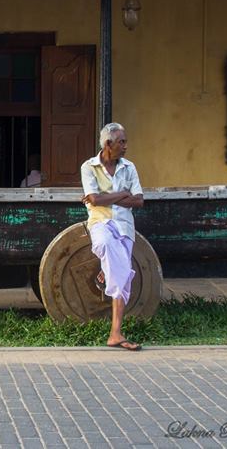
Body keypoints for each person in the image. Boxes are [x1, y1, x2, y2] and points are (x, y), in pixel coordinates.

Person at [80, 122, 144, 351]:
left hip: (125, 227)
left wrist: (106, 196)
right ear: (108, 144)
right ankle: (116, 334)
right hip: (100, 223)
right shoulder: (89, 167)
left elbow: (138, 200)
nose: (126, 146)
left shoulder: (129, 167)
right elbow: (95, 201)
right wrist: (122, 194)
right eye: (122, 142)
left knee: (120, 274)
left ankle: (115, 333)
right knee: (112, 255)